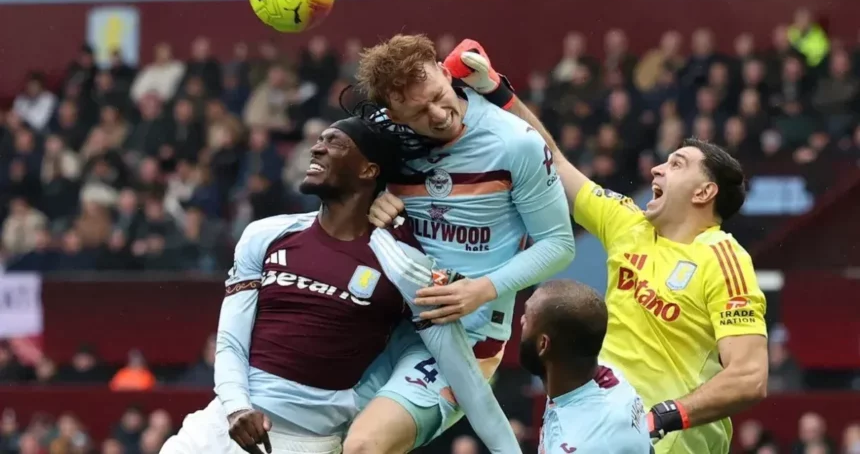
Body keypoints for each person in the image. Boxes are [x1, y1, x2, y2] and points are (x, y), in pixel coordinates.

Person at [438, 39, 769, 454]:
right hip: (589, 432)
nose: (656, 167)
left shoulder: (723, 257)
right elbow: (552, 162)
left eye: (677, 164)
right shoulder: (627, 222)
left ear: (704, 192)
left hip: (668, 443)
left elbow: (749, 377)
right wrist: (497, 92)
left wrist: (664, 416)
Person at [161, 112, 517, 454]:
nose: (316, 149)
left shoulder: (401, 261)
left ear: (369, 169)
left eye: (334, 142)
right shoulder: (266, 233)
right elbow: (230, 342)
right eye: (318, 141)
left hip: (305, 442)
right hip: (219, 425)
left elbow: (465, 375)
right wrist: (237, 408)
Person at [346, 34, 576, 454]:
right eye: (417, 111)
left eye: (438, 95)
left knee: (363, 445)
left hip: (466, 335)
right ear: (393, 112)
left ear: (442, 69)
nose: (437, 115)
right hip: (383, 322)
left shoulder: (515, 142)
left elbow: (559, 245)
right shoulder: (383, 143)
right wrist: (369, 205)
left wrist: (480, 290)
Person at [520, 280, 651, 453]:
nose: (521, 320)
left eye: (527, 318)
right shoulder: (597, 377)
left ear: (543, 345)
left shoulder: (581, 445)